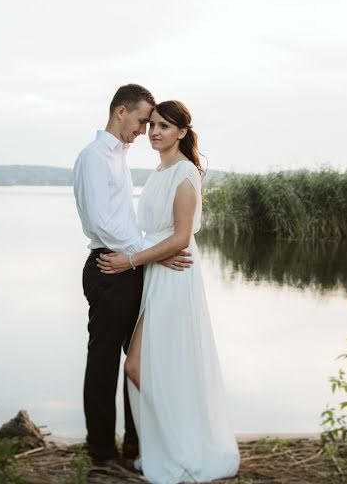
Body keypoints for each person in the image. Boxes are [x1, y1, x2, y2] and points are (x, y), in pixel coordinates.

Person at [97, 100, 240, 483]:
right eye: (153, 125)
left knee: (138, 365)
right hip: (156, 273)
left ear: (181, 132)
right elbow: (156, 234)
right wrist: (142, 259)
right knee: (149, 367)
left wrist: (131, 261)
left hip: (176, 278)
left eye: (163, 126)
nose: (155, 132)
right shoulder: (159, 172)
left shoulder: (185, 174)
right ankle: (176, 439)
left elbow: (180, 239)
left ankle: (184, 445)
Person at [73, 85, 193, 469]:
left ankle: (136, 446)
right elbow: (99, 221)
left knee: (139, 360)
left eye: (152, 124)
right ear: (121, 111)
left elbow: (125, 220)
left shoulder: (118, 157)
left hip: (128, 265)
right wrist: (144, 254)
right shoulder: (94, 157)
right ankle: (102, 451)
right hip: (110, 267)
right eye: (142, 121)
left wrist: (148, 255)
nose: (145, 131)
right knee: (104, 361)